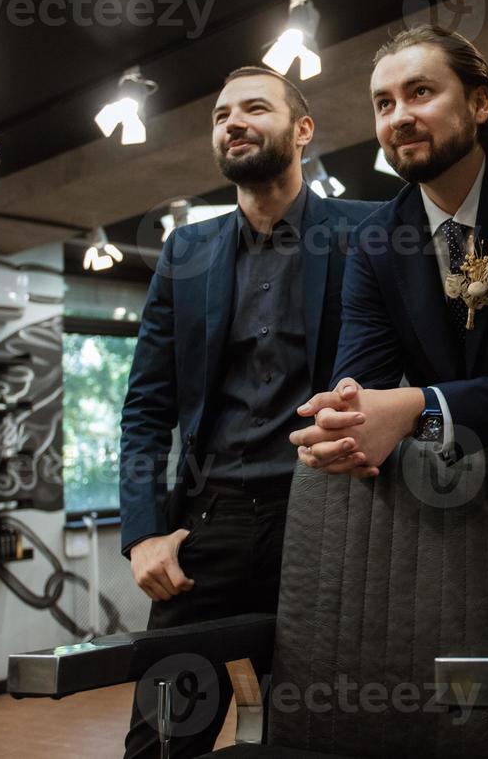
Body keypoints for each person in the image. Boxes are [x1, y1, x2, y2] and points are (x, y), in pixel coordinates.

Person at [117, 65, 374, 758]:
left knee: (319, 735)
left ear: (303, 129)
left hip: (323, 517)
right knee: (160, 742)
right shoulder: (185, 252)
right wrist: (144, 534)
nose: (232, 122)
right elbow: (146, 407)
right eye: (220, 114)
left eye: (254, 108)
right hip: (208, 528)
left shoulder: (369, 232)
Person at [289, 24, 488, 484]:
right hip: (442, 487)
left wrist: (419, 409)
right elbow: (364, 392)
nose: (398, 117)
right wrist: (341, 422)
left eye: (420, 92)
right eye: (384, 104)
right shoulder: (375, 239)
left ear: (479, 103)